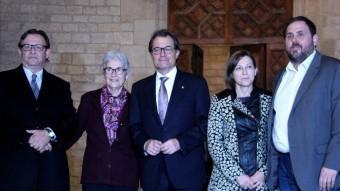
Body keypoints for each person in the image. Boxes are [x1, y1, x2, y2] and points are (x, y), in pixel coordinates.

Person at [129, 29, 210, 191]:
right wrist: (145, 143)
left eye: (167, 48)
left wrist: (180, 142)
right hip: (152, 174)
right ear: (151, 54)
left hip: (187, 172)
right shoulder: (139, 88)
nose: (162, 54)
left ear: (177, 53)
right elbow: (134, 126)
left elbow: (205, 123)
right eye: (157, 49)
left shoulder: (196, 84)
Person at [266, 16, 340, 191]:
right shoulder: (281, 76)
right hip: (284, 166)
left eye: (300, 34)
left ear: (314, 39)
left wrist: (333, 164)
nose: (294, 40)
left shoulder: (333, 69)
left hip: (318, 168)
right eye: (289, 36)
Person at [0, 29, 76, 191]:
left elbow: (70, 122)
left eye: (38, 47)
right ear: (19, 51)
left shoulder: (61, 86)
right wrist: (33, 138)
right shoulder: (2, 82)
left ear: (47, 52)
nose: (33, 51)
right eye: (27, 46)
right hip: (13, 172)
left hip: (52, 173)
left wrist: (48, 134)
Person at [67, 51, 139, 191]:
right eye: (109, 69)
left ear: (126, 74)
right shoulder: (88, 100)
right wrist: (53, 144)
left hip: (125, 177)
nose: (113, 74)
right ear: (104, 72)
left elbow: (140, 136)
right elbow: (74, 131)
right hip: (95, 177)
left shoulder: (136, 102)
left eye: (119, 69)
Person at [207, 50, 272, 191]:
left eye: (249, 67)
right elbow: (214, 143)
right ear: (232, 74)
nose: (244, 72)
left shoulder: (268, 99)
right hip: (226, 180)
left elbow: (275, 140)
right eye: (239, 68)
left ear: (255, 71)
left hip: (260, 181)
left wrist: (263, 172)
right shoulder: (219, 101)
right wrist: (238, 175)